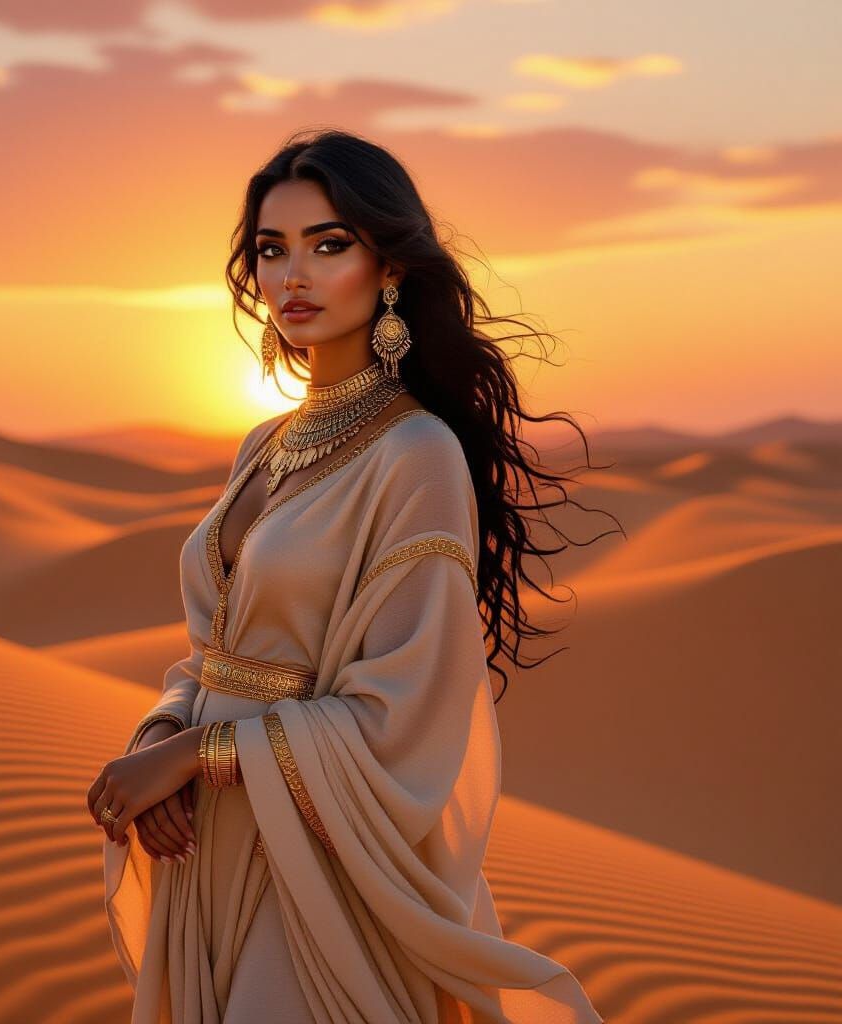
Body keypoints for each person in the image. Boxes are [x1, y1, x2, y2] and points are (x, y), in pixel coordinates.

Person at [89, 128, 607, 1023]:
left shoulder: (417, 452)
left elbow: (400, 710)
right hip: (204, 855)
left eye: (329, 246)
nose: (293, 276)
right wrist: (161, 739)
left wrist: (196, 755)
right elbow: (215, 657)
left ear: (389, 267)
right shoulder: (264, 445)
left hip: (318, 867)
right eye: (271, 248)